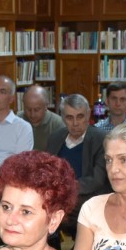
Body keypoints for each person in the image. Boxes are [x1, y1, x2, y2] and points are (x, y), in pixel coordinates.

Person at [46, 93, 108, 236]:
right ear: (62, 118)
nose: (75, 123)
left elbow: (97, 180)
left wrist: (66, 190)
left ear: (88, 115)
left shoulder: (101, 139)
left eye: (80, 116)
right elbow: (48, 172)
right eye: (69, 117)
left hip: (88, 199)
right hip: (60, 199)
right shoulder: (55, 138)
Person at [21, 84, 65, 152]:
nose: (32, 114)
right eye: (28, 109)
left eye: (37, 110)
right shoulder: (18, 120)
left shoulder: (58, 124)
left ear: (46, 106)